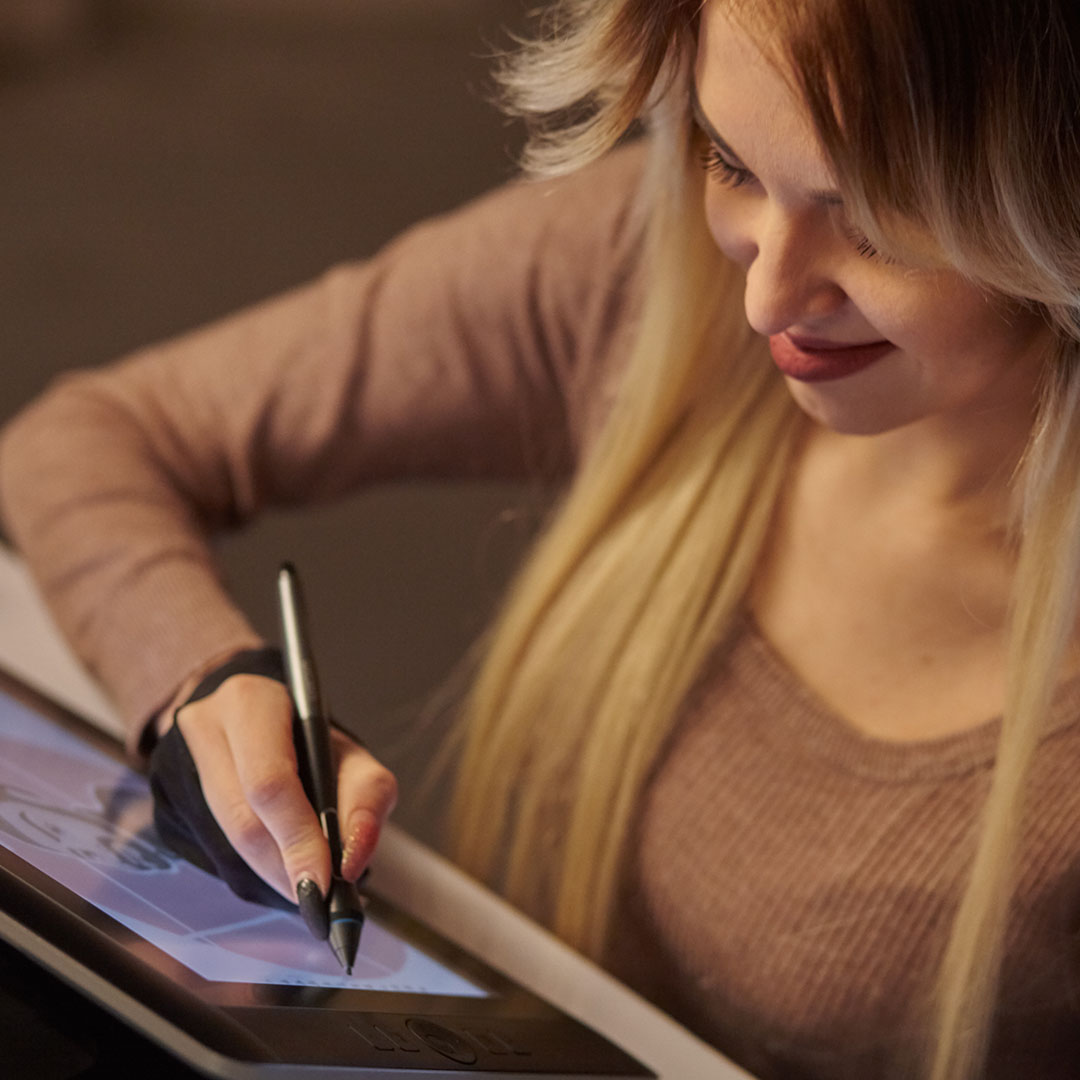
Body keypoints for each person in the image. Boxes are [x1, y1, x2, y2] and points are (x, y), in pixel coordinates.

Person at [2, 0, 1079, 1076]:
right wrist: (198, 676)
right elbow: (87, 441)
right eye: (732, 161)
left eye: (878, 219)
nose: (763, 298)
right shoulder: (638, 263)